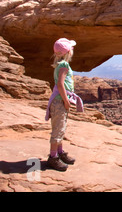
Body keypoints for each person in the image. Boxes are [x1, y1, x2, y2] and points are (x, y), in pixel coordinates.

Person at [45, 38, 83, 171]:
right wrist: (66, 102)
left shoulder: (59, 65)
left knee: (61, 128)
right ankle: (53, 158)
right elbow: (60, 84)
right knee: (58, 130)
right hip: (60, 101)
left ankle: (60, 153)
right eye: (71, 49)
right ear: (68, 52)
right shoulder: (64, 66)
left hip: (59, 101)